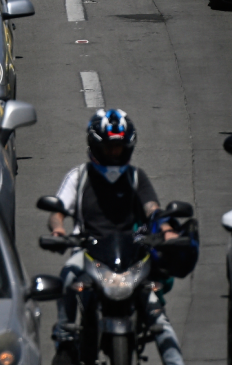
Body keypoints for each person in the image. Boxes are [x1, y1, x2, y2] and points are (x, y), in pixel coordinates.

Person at [48, 110, 184, 365]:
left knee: (157, 313)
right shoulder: (79, 176)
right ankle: (64, 337)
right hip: (87, 251)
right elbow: (57, 212)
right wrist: (58, 229)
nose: (114, 153)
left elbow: (153, 208)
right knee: (66, 279)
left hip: (133, 255)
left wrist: (166, 230)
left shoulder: (136, 177)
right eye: (109, 147)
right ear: (95, 146)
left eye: (119, 147)